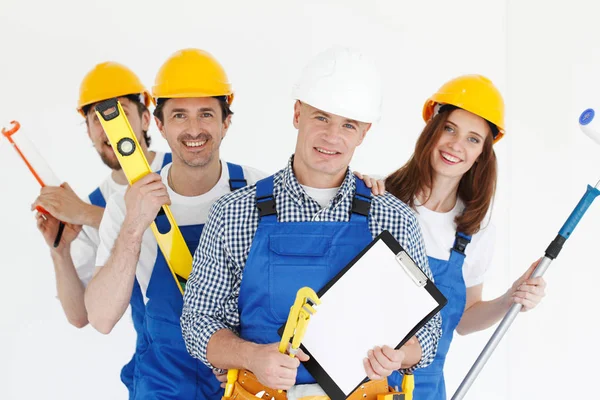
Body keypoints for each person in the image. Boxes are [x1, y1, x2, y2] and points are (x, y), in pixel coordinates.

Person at [181, 46, 441, 400]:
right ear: (298, 114)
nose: (332, 137)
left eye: (348, 124)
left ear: (364, 132)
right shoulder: (234, 213)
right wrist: (253, 356)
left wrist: (399, 355)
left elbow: (427, 330)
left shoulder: (393, 218)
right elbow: (198, 322)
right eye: (322, 118)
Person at [84, 48, 267, 399]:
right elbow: (102, 318)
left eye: (206, 114)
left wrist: (365, 185)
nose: (194, 129)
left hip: (245, 387)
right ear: (160, 124)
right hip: (163, 388)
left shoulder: (262, 195)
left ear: (226, 121)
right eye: (180, 115)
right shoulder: (129, 205)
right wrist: (134, 226)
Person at [356, 74, 546, 399]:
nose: (457, 145)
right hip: (357, 385)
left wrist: (509, 298)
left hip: (425, 391)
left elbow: (464, 320)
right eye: (450, 128)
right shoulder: (375, 195)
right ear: (432, 128)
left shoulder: (475, 229)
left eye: (473, 139)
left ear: (482, 153)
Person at [32, 61, 171, 396]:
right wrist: (60, 250)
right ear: (89, 132)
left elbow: (173, 241)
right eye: (98, 118)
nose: (110, 127)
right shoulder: (95, 200)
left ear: (146, 118)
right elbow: (81, 315)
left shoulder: (180, 171)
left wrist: (86, 213)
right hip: (156, 372)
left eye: (120, 112)